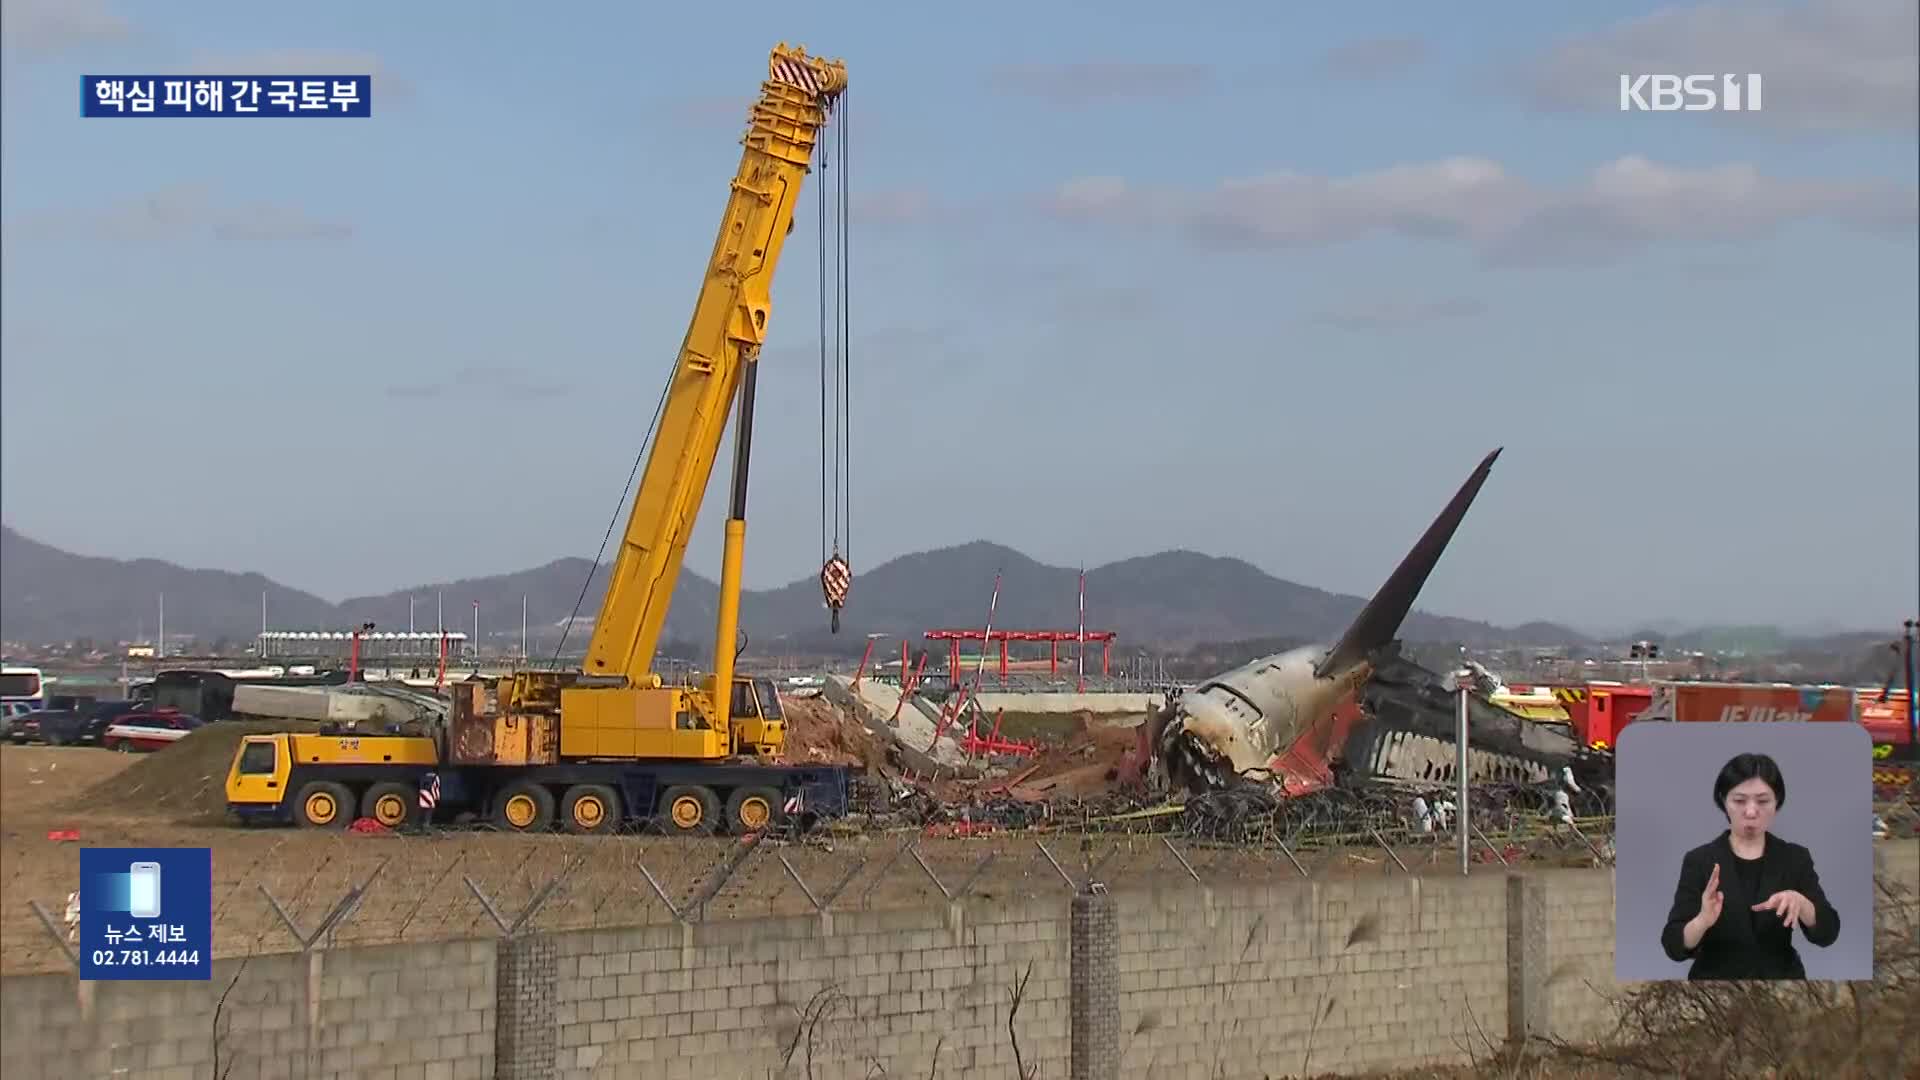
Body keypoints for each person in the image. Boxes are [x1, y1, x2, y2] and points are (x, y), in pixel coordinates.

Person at [1659, 752, 1840, 979]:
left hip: (1783, 985)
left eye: (1763, 801)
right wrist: (1702, 921)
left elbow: (1828, 932)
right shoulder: (1699, 861)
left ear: (1777, 803)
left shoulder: (1794, 858)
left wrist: (1802, 904)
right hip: (1714, 986)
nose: (1751, 811)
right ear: (1724, 801)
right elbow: (1673, 946)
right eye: (1739, 801)